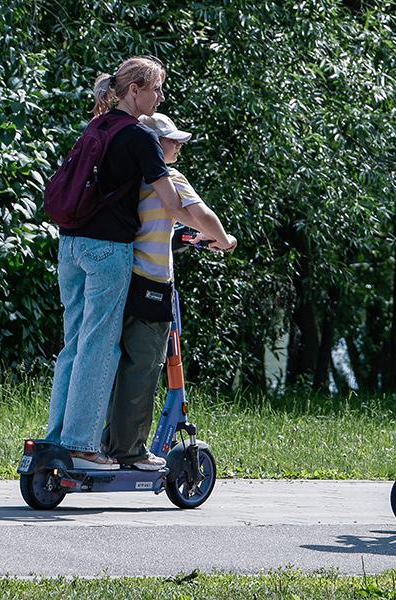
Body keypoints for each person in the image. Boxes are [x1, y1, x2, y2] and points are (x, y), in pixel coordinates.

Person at [45, 57, 207, 469]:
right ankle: (82, 446)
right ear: (134, 90)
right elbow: (172, 202)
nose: (161, 96)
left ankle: (57, 439)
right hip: (107, 250)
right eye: (156, 88)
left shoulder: (95, 127)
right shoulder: (138, 136)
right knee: (99, 347)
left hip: (70, 245)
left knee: (74, 345)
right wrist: (214, 236)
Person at [102, 112, 236, 470]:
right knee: (142, 368)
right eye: (172, 139)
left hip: (116, 280)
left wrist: (178, 239)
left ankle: (102, 442)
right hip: (151, 285)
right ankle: (129, 450)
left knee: (111, 366)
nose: (178, 145)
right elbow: (203, 216)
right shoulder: (168, 178)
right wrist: (224, 240)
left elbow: (150, 227)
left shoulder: (128, 178)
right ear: (154, 144)